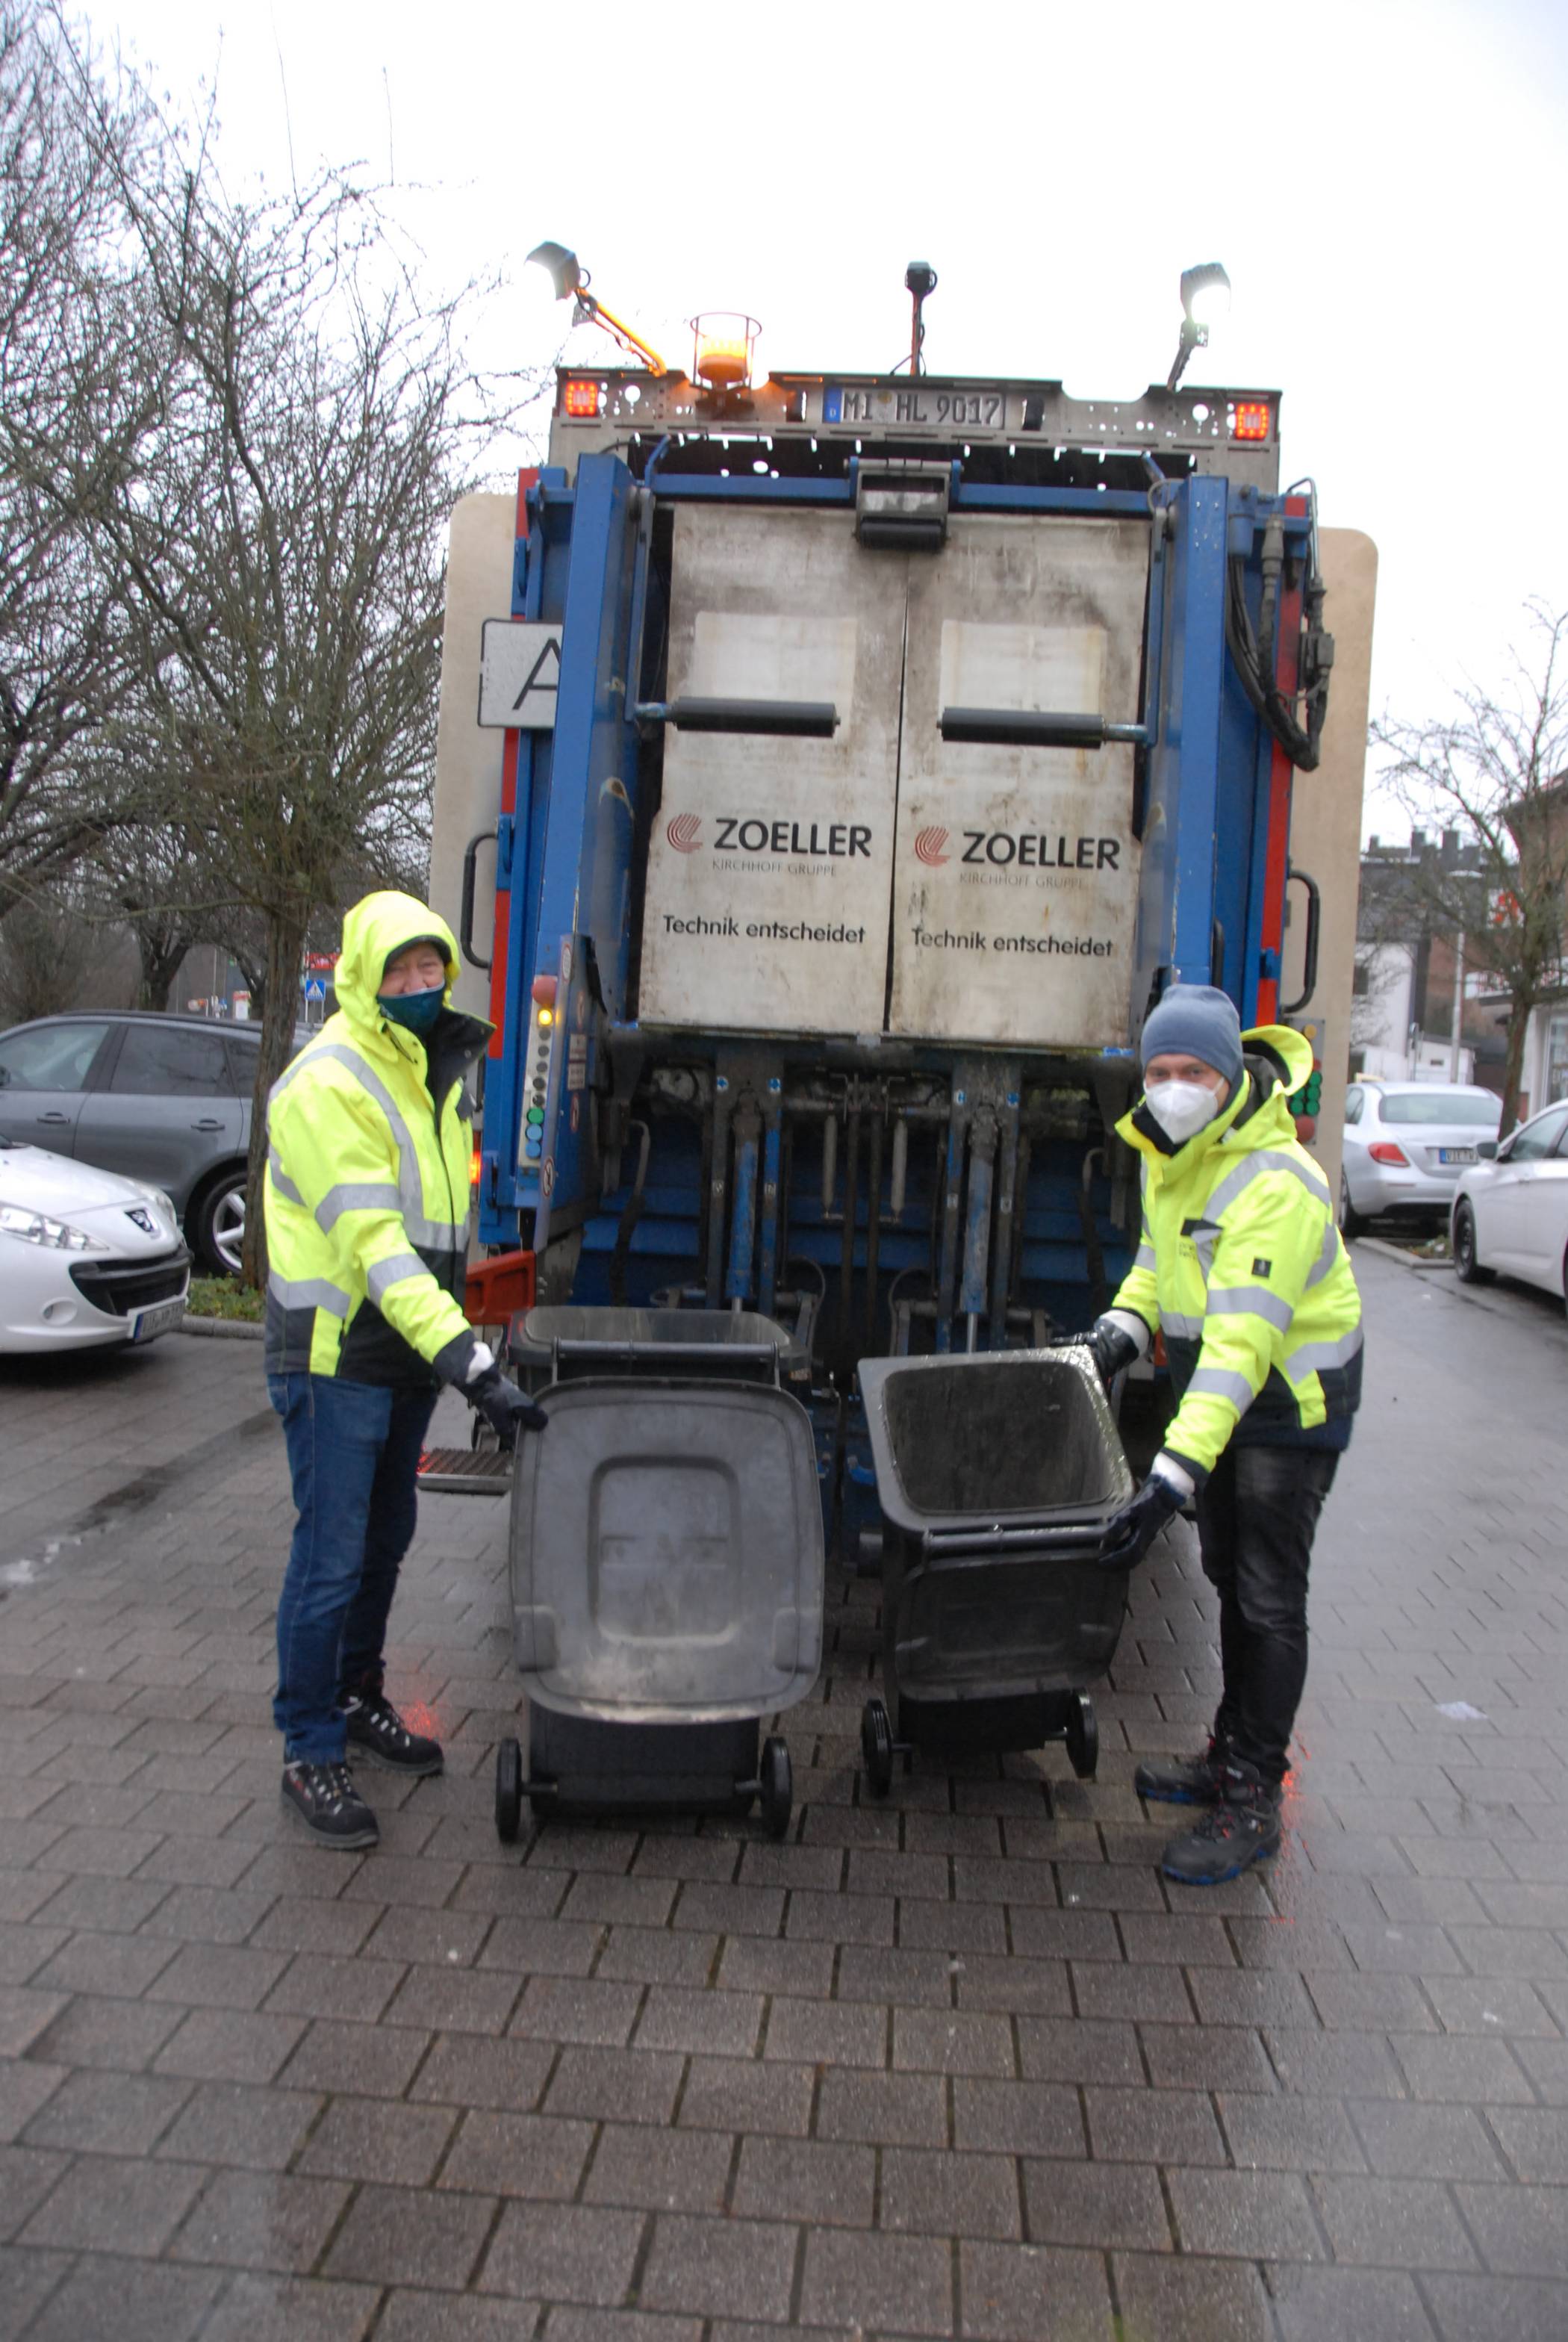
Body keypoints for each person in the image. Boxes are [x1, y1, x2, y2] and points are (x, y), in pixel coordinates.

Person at [264, 891, 546, 1848]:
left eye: (432, 968)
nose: (421, 985)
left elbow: (441, 1241)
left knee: (383, 1540)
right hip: (336, 1355)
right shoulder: (327, 1082)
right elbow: (380, 1250)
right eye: (400, 970)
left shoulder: (433, 1073)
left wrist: (462, 1349)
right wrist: (475, 1364)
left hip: (402, 1357)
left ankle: (356, 1696)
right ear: (360, 975)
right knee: (330, 1555)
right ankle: (308, 1747)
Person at [1088, 985, 1362, 1885]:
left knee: (1267, 1593)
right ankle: (1228, 1752)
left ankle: (1254, 1795)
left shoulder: (1277, 1179)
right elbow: (1156, 1267)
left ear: (1229, 1074)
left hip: (1289, 1404)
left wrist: (1166, 1478)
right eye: (1159, 1070)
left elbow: (1242, 1344)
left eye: (1192, 1071)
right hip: (1227, 1394)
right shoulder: (1170, 1149)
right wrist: (1112, 1341)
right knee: (1227, 1579)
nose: (1173, 1086)